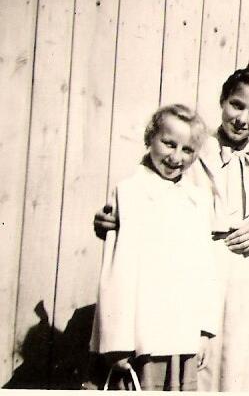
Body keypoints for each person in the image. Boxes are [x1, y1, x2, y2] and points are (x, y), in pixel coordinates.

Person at [93, 67, 249, 392]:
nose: (243, 118)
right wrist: (109, 220)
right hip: (197, 265)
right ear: (222, 100)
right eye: (236, 105)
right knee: (199, 361)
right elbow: (146, 190)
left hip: (245, 271)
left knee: (239, 364)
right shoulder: (193, 146)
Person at [90, 104, 218, 391]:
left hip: (183, 332)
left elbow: (205, 268)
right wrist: (117, 342)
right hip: (141, 336)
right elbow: (116, 271)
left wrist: (205, 331)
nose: (176, 157)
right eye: (168, 144)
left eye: (188, 150)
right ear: (150, 138)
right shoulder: (130, 192)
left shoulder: (197, 199)